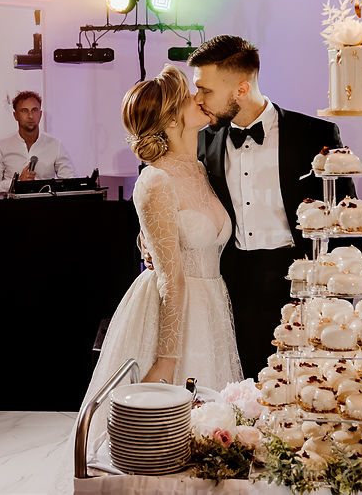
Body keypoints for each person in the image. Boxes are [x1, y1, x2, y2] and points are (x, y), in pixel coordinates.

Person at [78, 64, 241, 443]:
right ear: (170, 117)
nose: (199, 98)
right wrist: (166, 359)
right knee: (163, 434)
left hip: (212, 306)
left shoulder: (200, 170)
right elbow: (171, 276)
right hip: (174, 310)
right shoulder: (155, 180)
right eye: (190, 95)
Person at [188, 35, 355, 377]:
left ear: (241, 89)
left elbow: (347, 217)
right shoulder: (201, 142)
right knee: (244, 381)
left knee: (306, 382)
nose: (198, 99)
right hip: (232, 282)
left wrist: (327, 288)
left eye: (205, 90)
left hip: (299, 278)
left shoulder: (314, 134)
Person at [0, 90, 75, 198]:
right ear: (15, 115)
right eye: (24, 111)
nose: (30, 116)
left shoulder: (55, 145)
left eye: (34, 110)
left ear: (40, 114)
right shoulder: (2, 146)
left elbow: (69, 181)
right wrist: (16, 183)